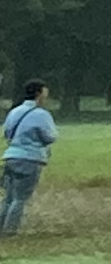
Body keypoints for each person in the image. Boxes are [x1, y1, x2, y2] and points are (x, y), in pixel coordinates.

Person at [1, 80, 57, 239]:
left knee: (9, 198)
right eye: (45, 93)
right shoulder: (42, 114)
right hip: (30, 159)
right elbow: (51, 136)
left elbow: (7, 133)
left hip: (11, 156)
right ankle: (9, 233)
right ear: (39, 94)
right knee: (20, 198)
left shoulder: (14, 111)